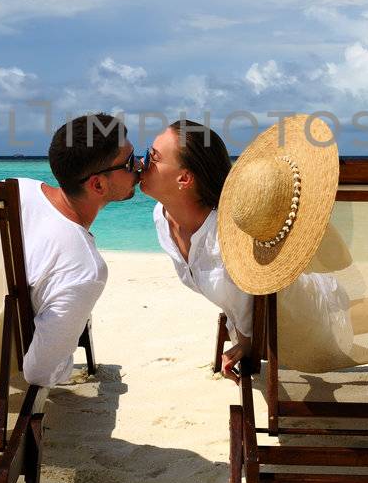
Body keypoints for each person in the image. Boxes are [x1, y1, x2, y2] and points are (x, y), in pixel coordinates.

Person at [15, 112, 138, 387]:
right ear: (98, 184)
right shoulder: (85, 268)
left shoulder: (13, 191)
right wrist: (64, 364)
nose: (140, 165)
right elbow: (39, 374)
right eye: (130, 162)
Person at [137, 119, 254, 379]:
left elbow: (256, 313)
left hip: (295, 327)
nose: (141, 162)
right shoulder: (161, 216)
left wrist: (247, 345)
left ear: (184, 178)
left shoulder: (228, 239)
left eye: (152, 156)